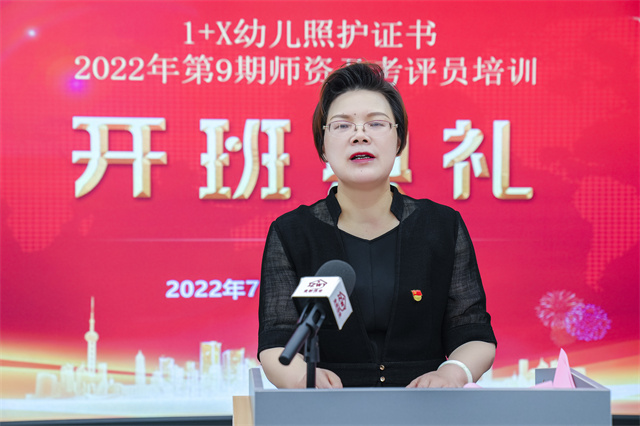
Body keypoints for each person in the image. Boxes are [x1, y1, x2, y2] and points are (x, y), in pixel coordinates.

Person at [258, 62, 497, 389]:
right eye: (342, 125)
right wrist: (302, 378)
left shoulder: (441, 226)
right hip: (328, 406)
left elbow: (473, 332)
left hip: (426, 405)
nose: (360, 135)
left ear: (398, 140)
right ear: (323, 146)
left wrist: (451, 374)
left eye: (376, 123)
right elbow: (276, 339)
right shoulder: (292, 233)